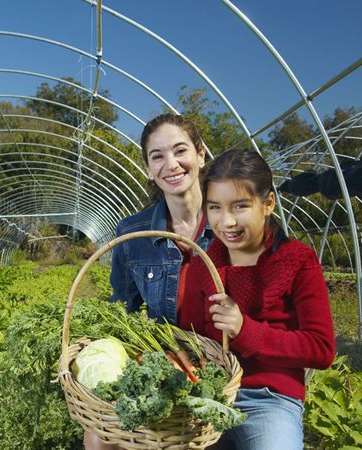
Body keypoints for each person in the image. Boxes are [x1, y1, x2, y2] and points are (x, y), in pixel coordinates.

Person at [179, 149, 336, 450]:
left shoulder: (298, 261)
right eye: (215, 207)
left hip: (271, 399)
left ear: (267, 204)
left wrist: (244, 330)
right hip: (211, 396)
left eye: (240, 206)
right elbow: (188, 338)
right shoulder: (202, 265)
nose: (226, 222)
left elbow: (322, 349)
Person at [84, 113, 213, 450]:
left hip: (223, 367)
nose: (171, 164)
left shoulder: (230, 221)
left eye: (180, 150)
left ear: (200, 154)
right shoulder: (132, 232)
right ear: (148, 168)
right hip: (163, 363)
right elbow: (121, 307)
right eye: (157, 156)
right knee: (98, 436)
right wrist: (94, 355)